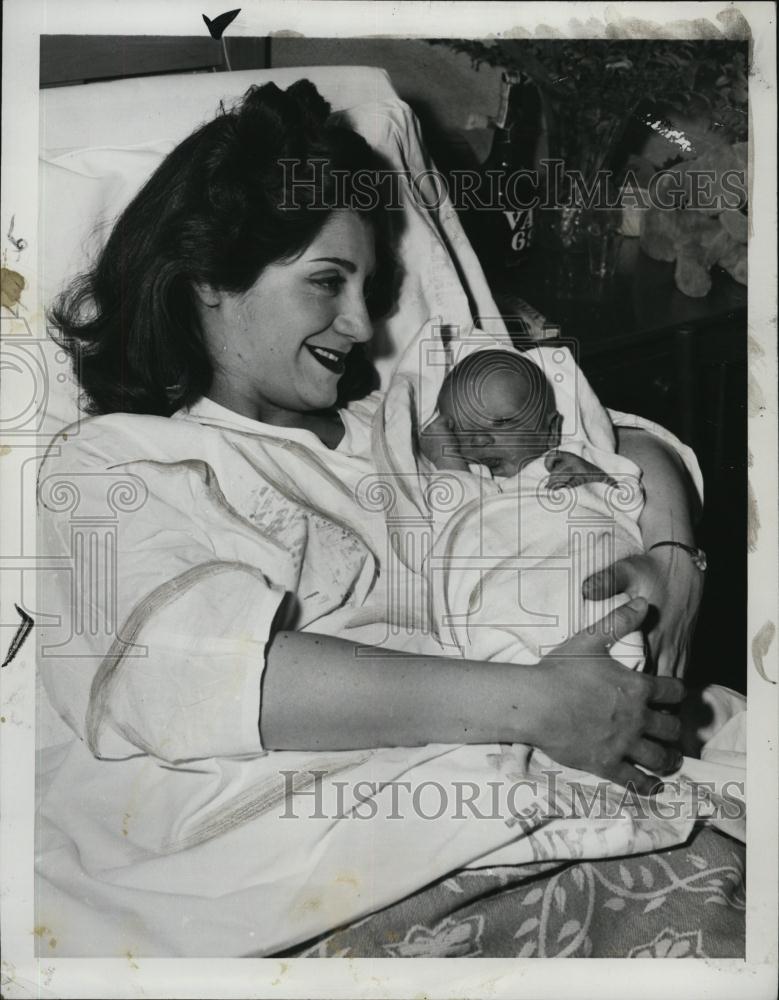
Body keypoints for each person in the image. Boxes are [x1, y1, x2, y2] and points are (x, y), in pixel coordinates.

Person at [36, 80, 711, 956]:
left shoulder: (395, 428)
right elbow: (191, 673)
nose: (360, 323)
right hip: (331, 853)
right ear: (207, 278)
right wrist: (541, 706)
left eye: (369, 285)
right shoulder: (118, 462)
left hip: (529, 775)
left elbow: (619, 442)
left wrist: (674, 559)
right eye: (326, 282)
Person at [416, 347, 645, 667]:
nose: (479, 440)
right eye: (459, 431)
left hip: (585, 586)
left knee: (611, 628)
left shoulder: (569, 460)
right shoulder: (465, 481)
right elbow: (458, 525)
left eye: (501, 422)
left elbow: (630, 504)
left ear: (550, 431)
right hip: (507, 610)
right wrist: (448, 462)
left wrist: (596, 479)